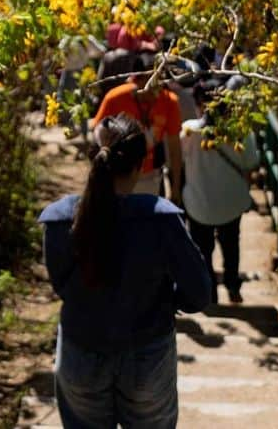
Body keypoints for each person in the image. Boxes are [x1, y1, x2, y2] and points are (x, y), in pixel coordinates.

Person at [39, 114, 212, 428]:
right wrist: (169, 302)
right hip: (147, 355)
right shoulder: (161, 218)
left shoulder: (60, 219)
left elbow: (62, 285)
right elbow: (199, 292)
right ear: (140, 164)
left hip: (81, 351)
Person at [180, 80, 260, 304]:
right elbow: (251, 162)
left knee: (202, 249)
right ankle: (233, 285)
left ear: (198, 104)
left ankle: (210, 293)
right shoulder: (240, 131)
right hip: (231, 200)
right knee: (231, 244)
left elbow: (178, 160)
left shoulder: (188, 131)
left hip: (198, 201)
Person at [90, 54, 183, 202]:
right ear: (136, 80)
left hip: (149, 177)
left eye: (160, 80)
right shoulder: (115, 98)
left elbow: (175, 149)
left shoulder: (169, 102)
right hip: (116, 175)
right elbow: (96, 136)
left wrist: (176, 187)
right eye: (151, 81)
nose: (157, 87)